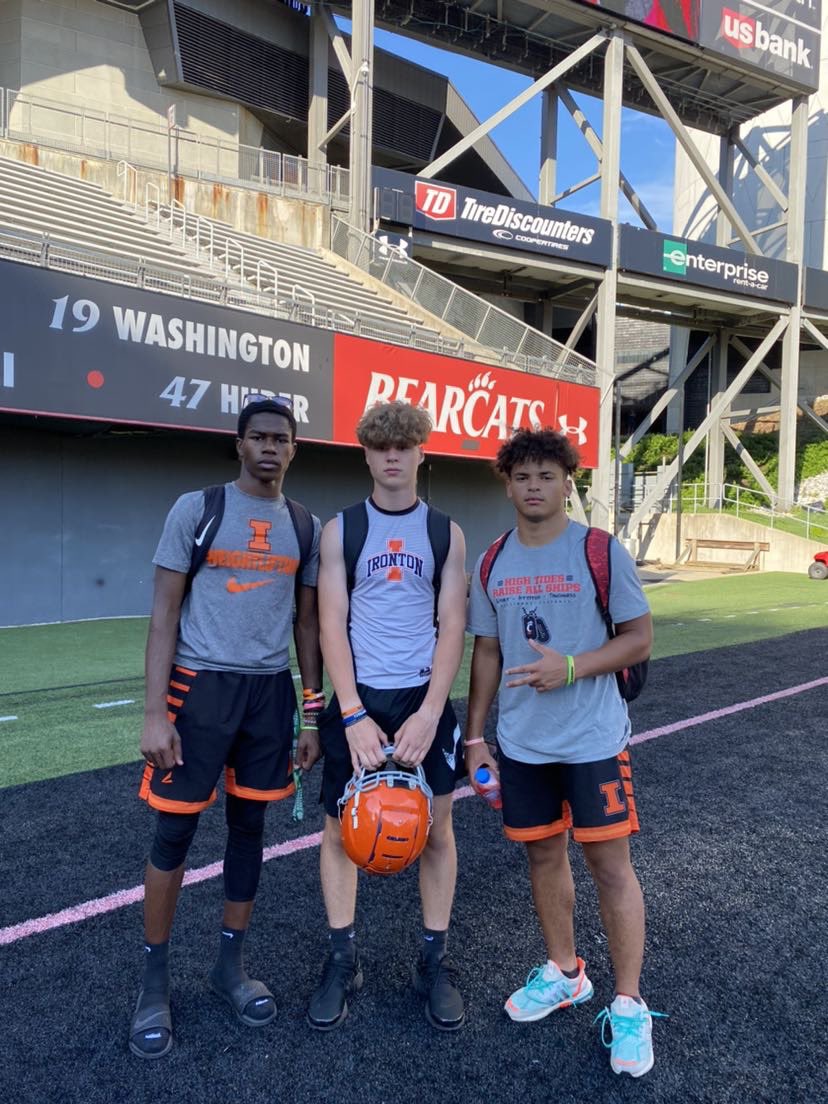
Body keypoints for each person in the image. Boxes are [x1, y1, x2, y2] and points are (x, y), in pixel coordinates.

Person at [129, 394, 322, 1059]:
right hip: (197, 690)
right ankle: (154, 983)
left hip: (269, 697)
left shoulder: (304, 524)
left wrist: (312, 711)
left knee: (250, 830)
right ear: (239, 445)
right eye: (258, 437)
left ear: (294, 449)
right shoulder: (197, 509)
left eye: (282, 438)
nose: (270, 447)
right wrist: (155, 711)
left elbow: (306, 625)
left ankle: (227, 969)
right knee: (174, 830)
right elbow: (162, 614)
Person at [465, 428, 660, 1078]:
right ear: (507, 483)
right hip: (523, 746)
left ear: (567, 481)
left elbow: (637, 638)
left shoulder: (600, 551)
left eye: (547, 475)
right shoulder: (492, 562)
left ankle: (629, 1004)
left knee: (610, 868)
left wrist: (573, 667)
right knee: (544, 856)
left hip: (594, 741)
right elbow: (487, 651)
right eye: (522, 477)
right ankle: (566, 972)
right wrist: (474, 736)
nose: (534, 487)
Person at [309, 400, 468, 1032]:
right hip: (361, 700)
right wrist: (350, 714)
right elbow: (330, 625)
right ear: (367, 454)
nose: (393, 455)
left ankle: (434, 960)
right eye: (382, 446)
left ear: (421, 451)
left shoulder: (445, 532)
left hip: (422, 699)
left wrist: (431, 712)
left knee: (435, 830)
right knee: (338, 833)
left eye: (404, 444)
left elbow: (453, 625)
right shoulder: (340, 530)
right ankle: (343, 958)